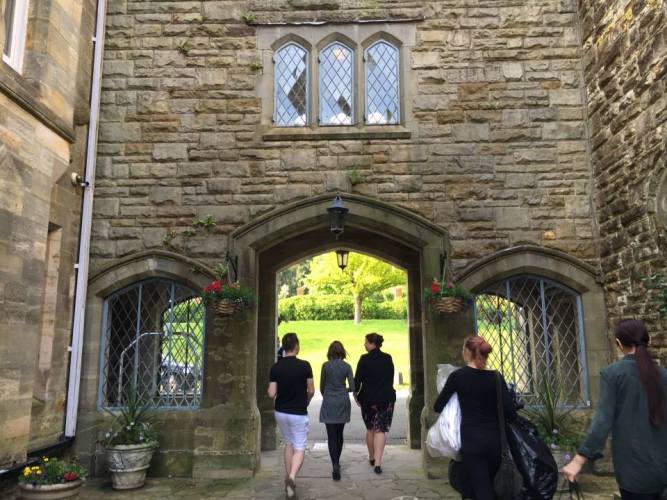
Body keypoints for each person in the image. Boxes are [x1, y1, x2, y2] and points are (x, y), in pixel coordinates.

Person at [562, 319, 667, 500]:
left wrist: (578, 460)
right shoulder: (664, 375)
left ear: (618, 343)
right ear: (648, 340)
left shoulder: (613, 374)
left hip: (634, 473)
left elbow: (602, 421)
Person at [433, 336, 516, 500]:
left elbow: (438, 406)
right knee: (491, 486)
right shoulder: (496, 377)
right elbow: (510, 412)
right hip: (495, 441)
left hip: (471, 441)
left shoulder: (457, 377)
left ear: (466, 352)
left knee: (480, 489)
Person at [268, 332, 315, 500]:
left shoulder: (276, 367)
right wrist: (306, 401)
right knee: (299, 447)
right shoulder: (305, 366)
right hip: (298, 412)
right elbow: (311, 390)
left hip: (281, 412)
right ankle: (292, 478)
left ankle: (288, 480)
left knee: (288, 443)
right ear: (296, 346)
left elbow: (271, 393)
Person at [353, 332, 396, 474]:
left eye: (366, 342)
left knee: (370, 428)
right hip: (386, 398)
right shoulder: (388, 358)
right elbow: (390, 378)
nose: (364, 344)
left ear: (372, 343)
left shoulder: (364, 359)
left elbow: (357, 381)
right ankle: (378, 463)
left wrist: (355, 394)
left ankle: (371, 457)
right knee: (380, 429)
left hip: (368, 399)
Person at [319, 340, 355, 481]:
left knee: (331, 435)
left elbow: (322, 387)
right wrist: (343, 390)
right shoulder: (347, 366)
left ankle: (334, 463)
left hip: (329, 400)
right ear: (342, 352)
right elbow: (353, 387)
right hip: (342, 401)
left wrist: (328, 394)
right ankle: (337, 461)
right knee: (339, 433)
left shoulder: (325, 366)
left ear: (330, 352)